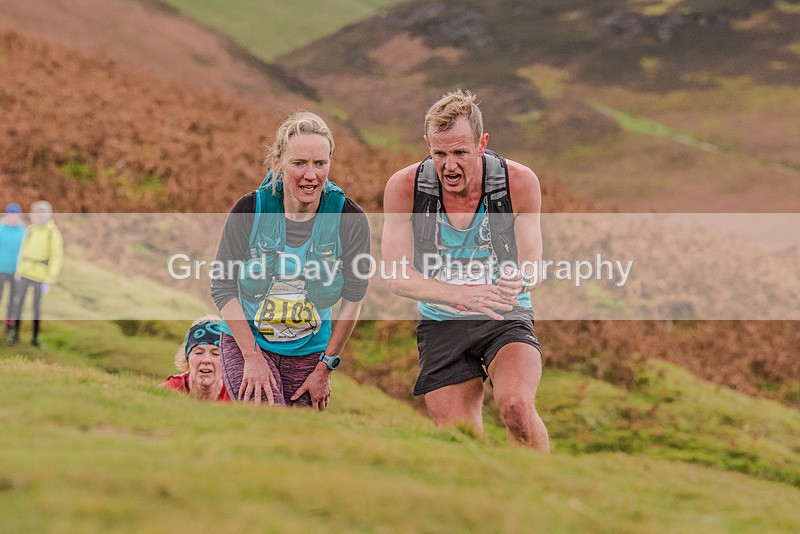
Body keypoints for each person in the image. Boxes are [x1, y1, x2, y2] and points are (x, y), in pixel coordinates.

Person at [382, 90, 550, 451]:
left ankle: (538, 483)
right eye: (439, 154)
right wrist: (462, 295)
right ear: (427, 145)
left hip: (505, 314)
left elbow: (534, 262)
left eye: (460, 152)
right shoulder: (404, 187)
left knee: (517, 408)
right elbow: (395, 275)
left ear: (481, 144)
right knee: (462, 442)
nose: (449, 166)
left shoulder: (519, 182)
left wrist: (521, 277)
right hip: (441, 322)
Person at [211, 111, 370, 410]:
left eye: (320, 163)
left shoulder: (350, 218)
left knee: (300, 435)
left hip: (311, 353)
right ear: (277, 163)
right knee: (267, 419)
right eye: (299, 163)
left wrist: (325, 368)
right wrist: (252, 357)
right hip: (247, 342)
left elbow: (353, 298)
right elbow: (223, 288)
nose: (311, 175)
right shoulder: (250, 209)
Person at [9, 200, 63, 347]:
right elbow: (23, 251)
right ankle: (15, 333)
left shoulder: (52, 233)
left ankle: (35, 338)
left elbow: (56, 257)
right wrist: (19, 271)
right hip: (25, 273)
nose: (32, 215)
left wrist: (50, 280)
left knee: (36, 307)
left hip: (40, 275)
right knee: (18, 304)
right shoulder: (31, 229)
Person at [160, 316, 231, 402]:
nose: (206, 360)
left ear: (226, 360)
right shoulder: (169, 390)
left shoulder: (237, 395)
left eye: (216, 353)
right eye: (199, 352)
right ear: (187, 357)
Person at [0, 203, 26, 337]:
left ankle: (9, 324)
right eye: (10, 215)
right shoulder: (1, 229)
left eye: (15, 216)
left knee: (12, 299)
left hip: (16, 272)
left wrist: (21, 270)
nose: (12, 218)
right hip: (1, 269)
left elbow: (25, 252)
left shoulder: (23, 232)